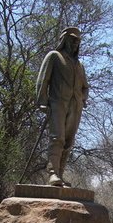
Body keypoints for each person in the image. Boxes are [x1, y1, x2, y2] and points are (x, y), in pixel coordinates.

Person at [36, 27, 89, 186]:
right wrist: (42, 101)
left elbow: (85, 86)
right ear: (65, 39)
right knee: (57, 137)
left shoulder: (79, 65)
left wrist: (83, 99)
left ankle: (60, 174)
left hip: (75, 105)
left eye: (78, 41)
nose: (75, 43)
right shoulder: (54, 56)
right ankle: (53, 173)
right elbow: (42, 80)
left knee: (68, 141)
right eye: (73, 40)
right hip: (58, 102)